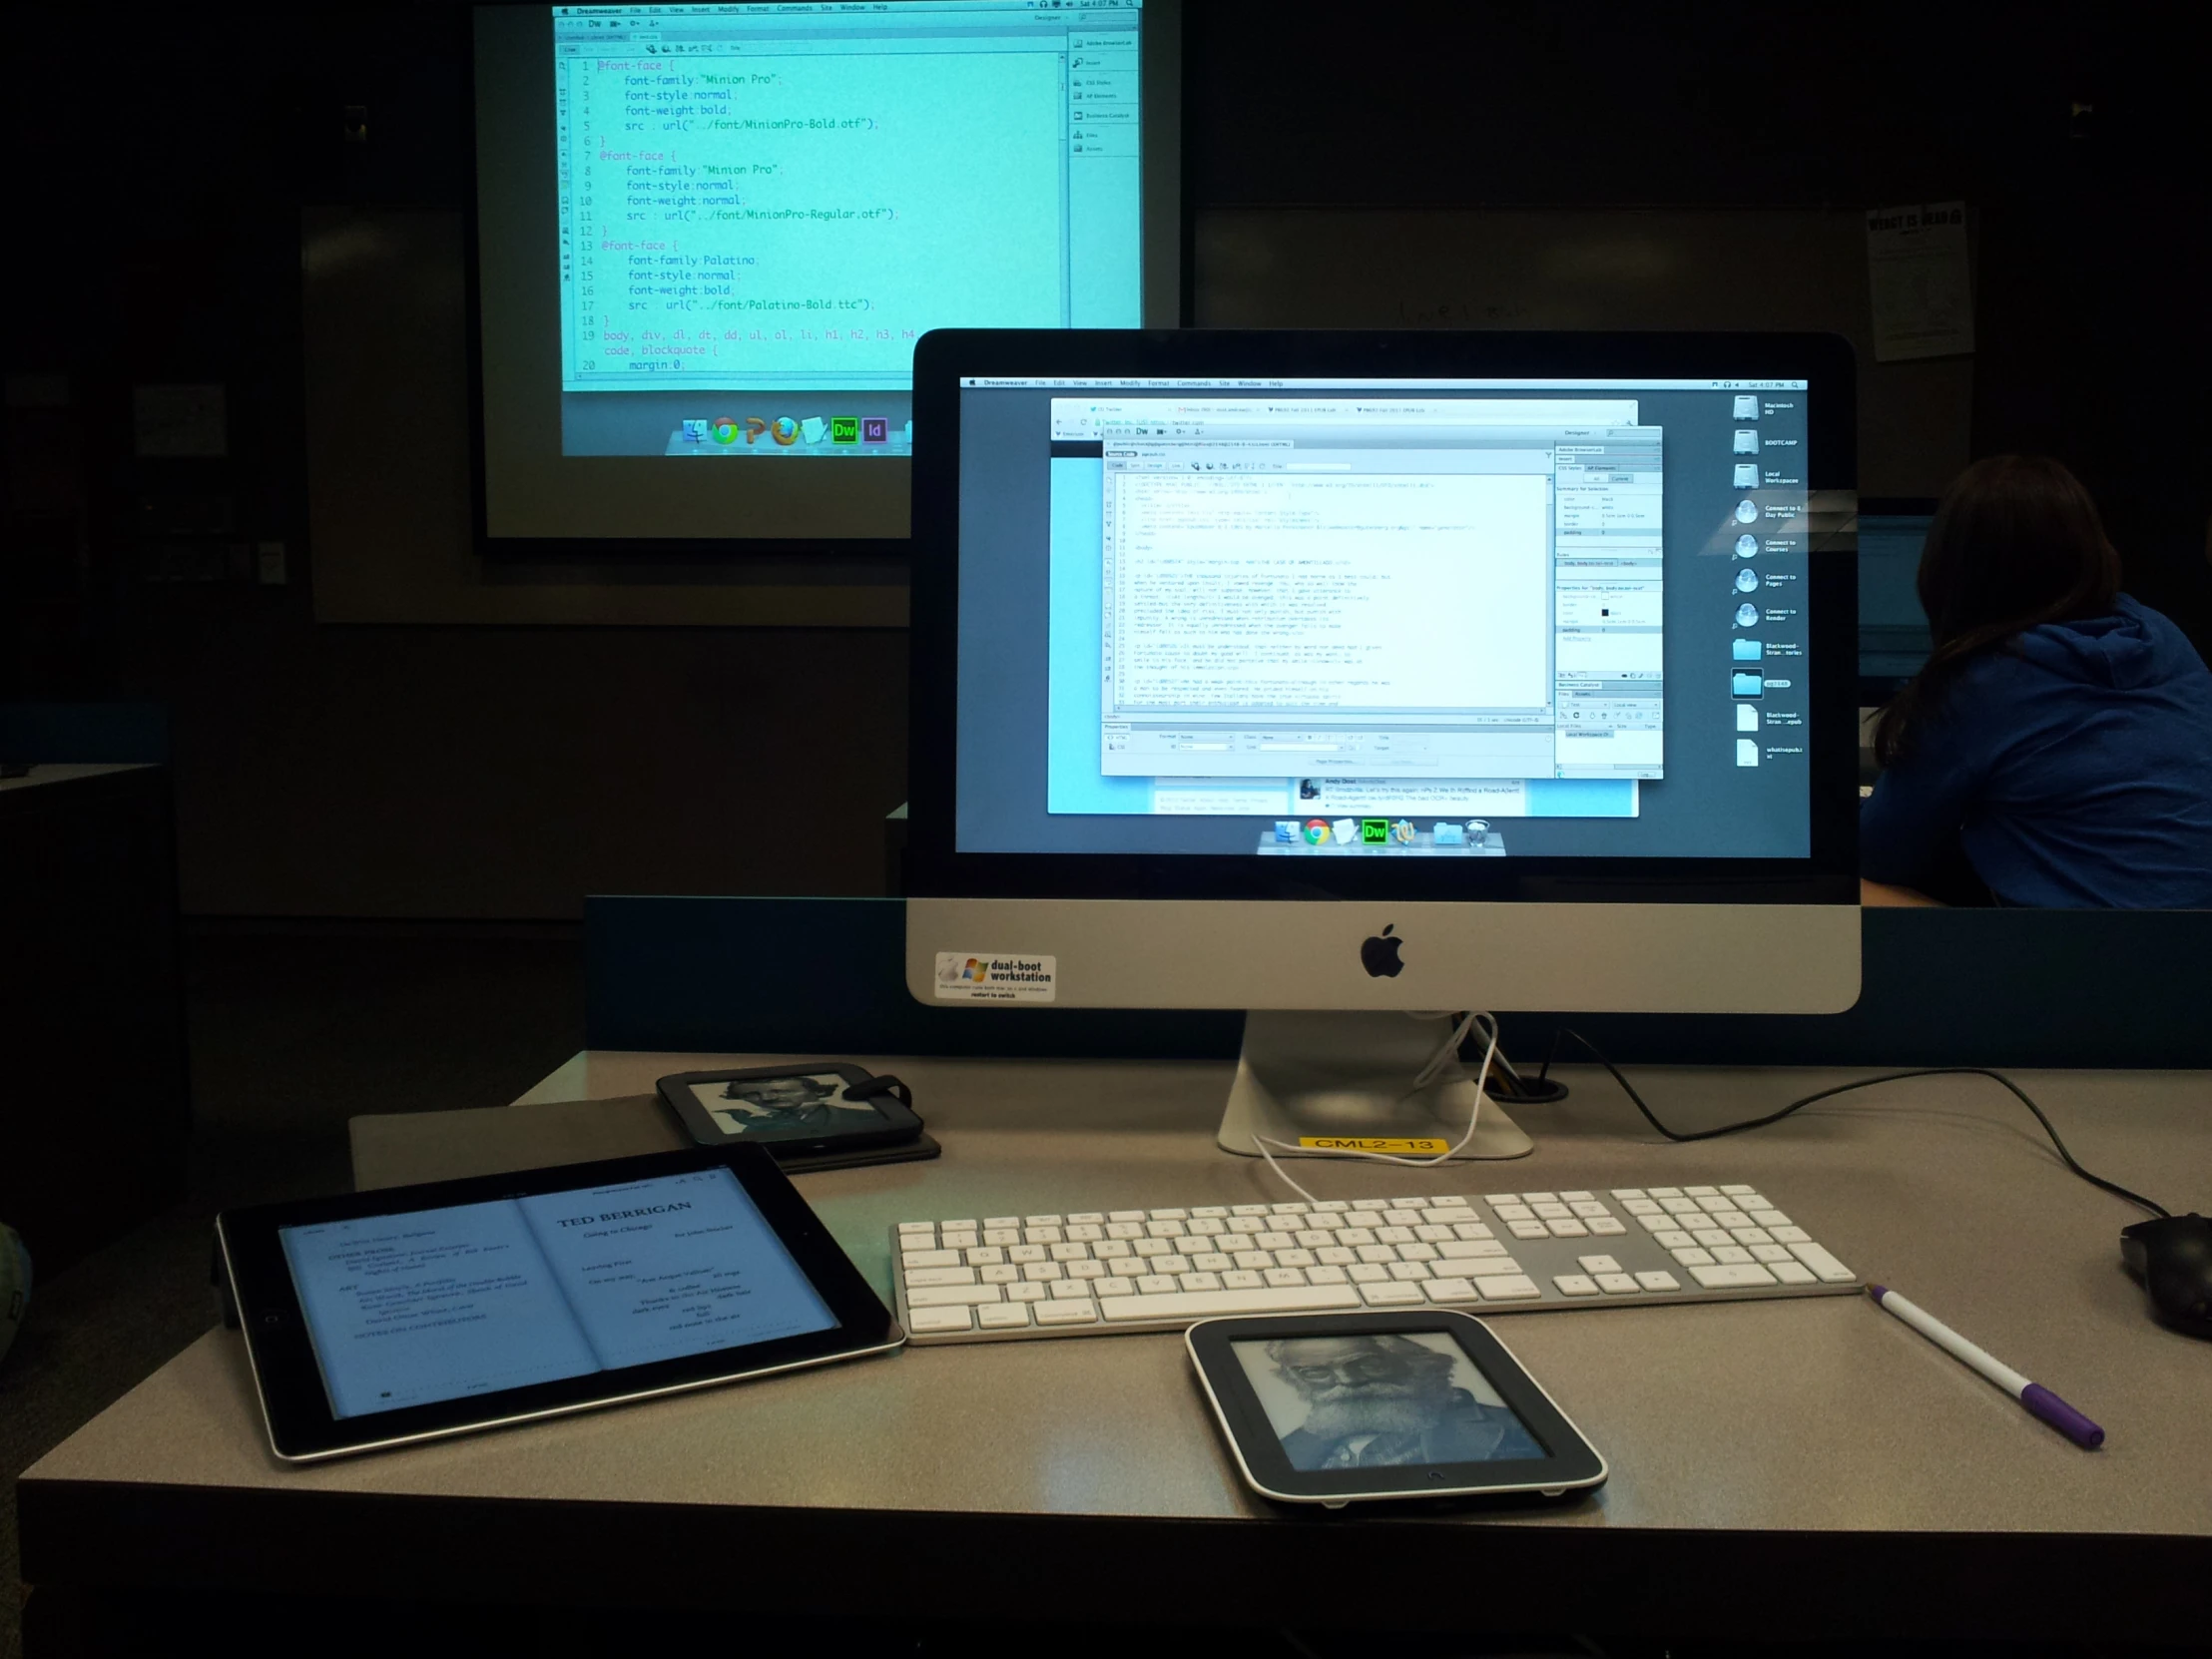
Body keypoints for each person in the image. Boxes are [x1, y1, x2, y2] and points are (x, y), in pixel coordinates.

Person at [1861, 456, 2212, 908]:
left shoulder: (1979, 685)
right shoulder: (2161, 633)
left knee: (1844, 888)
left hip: (2106, 961)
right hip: (2198, 948)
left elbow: (1878, 853)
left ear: (1951, 570)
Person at [1265, 1333, 1541, 1470]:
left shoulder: (1515, 1429)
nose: (1347, 1381)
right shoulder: (1282, 1451)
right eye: (1315, 1372)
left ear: (1415, 1364)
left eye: (1368, 1364)